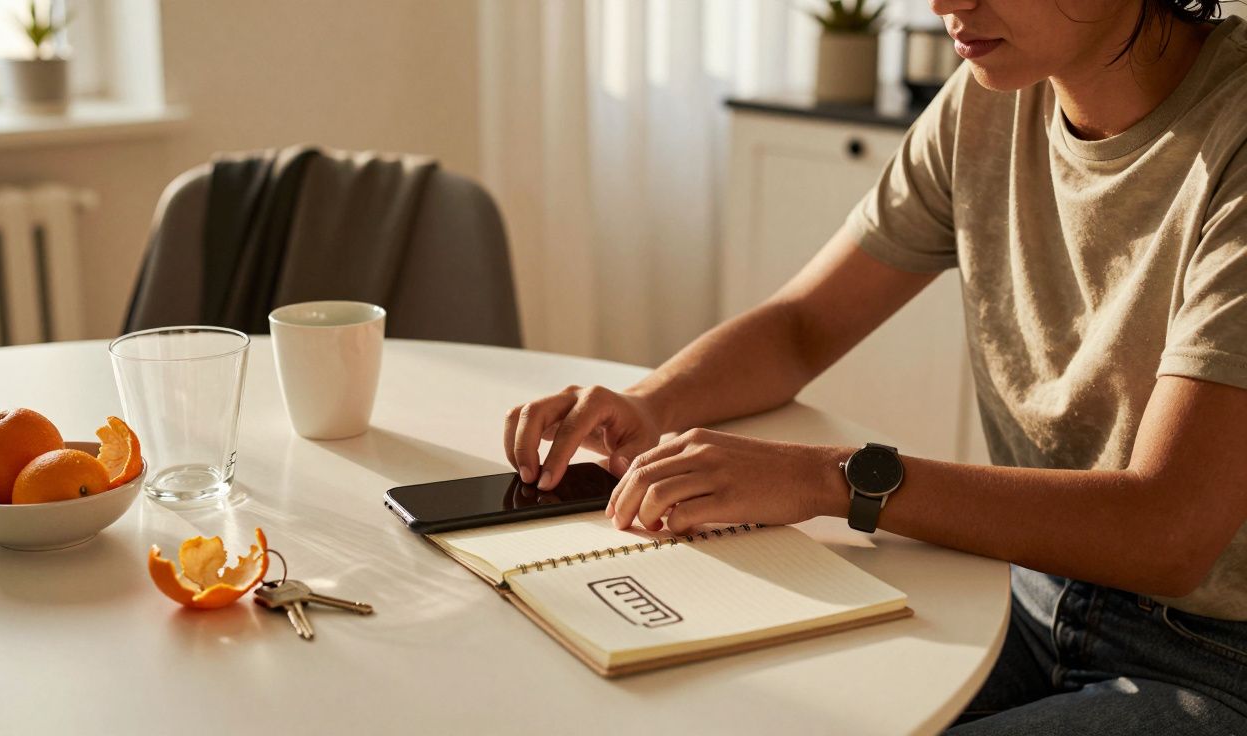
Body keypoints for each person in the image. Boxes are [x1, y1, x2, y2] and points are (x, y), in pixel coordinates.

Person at [501, 0, 1247, 731]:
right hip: (1017, 592)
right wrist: (649, 403)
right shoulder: (990, 98)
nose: (944, 4)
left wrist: (830, 478)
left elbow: (1169, 532)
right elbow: (803, 326)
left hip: (1207, 660)